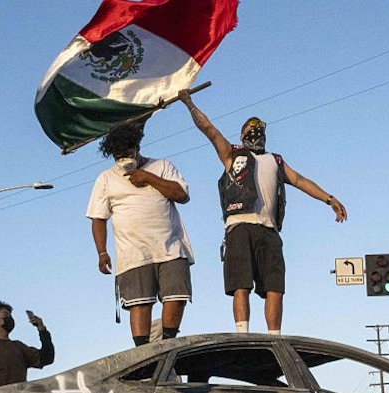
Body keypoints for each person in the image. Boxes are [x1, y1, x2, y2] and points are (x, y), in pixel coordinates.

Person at [179, 90, 348, 334]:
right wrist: (189, 103)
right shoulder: (232, 154)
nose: (256, 132)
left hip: (269, 229)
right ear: (242, 134)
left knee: (275, 287)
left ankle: (274, 337)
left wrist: (328, 198)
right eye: (251, 128)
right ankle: (242, 334)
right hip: (240, 225)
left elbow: (299, 180)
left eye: (260, 129)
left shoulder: (275, 160)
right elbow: (210, 130)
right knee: (241, 284)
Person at [87, 122, 195, 347]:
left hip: (171, 247)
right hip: (132, 253)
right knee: (139, 304)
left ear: (136, 147)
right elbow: (98, 218)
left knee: (176, 297)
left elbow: (181, 194)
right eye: (118, 156)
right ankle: (143, 353)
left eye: (126, 153)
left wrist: (148, 178)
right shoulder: (106, 178)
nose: (122, 159)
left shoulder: (162, 165)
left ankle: (167, 346)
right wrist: (102, 252)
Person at [0, 302, 55, 391]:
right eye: (5, 314)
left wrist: (42, 330)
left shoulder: (19, 347)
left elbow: (47, 358)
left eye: (10, 315)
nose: (10, 318)